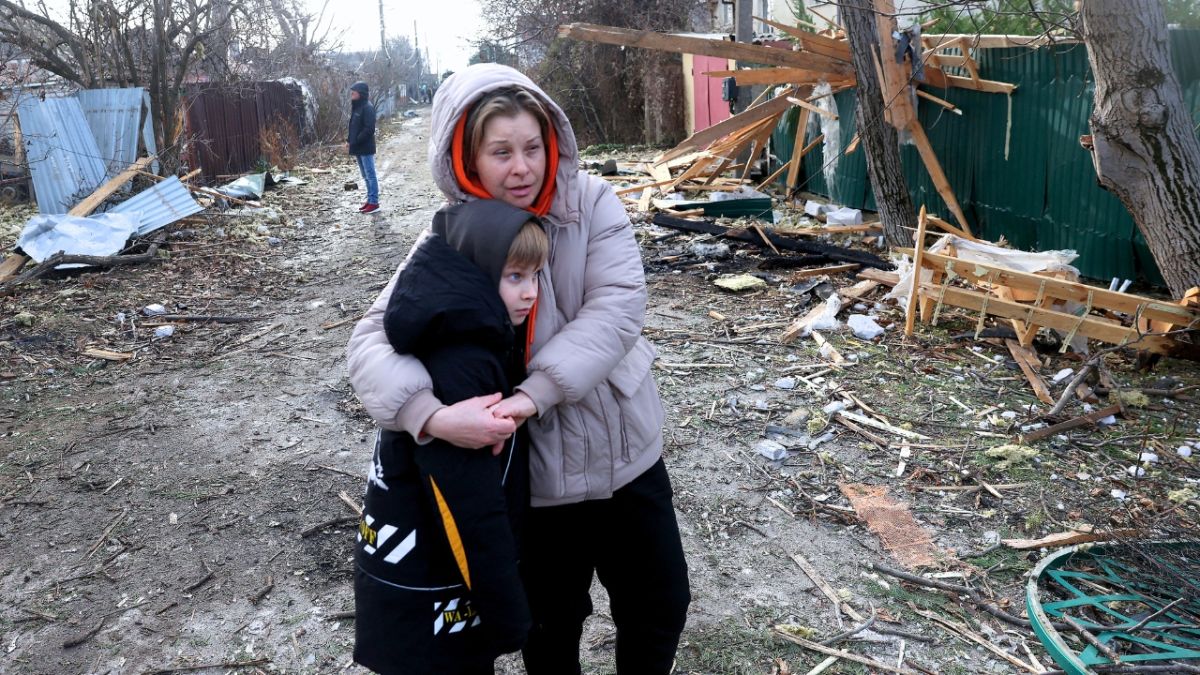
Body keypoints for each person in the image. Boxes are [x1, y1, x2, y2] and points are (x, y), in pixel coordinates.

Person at [347, 63, 690, 674]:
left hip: (624, 451)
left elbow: (617, 307)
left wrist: (532, 394)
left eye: (532, 147)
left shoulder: (591, 202)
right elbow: (372, 339)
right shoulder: (451, 235)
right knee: (550, 627)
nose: (522, 167)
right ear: (467, 158)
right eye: (501, 152)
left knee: (659, 603)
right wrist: (431, 417)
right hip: (534, 481)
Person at [353, 198, 547, 674]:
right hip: (432, 590)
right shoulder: (464, 363)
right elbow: (468, 506)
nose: (531, 293)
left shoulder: (440, 329)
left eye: (536, 276)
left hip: (403, 576)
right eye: (515, 276)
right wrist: (508, 614)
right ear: (477, 273)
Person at [348, 81, 380, 214]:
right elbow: (353, 126)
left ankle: (374, 202)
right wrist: (349, 140)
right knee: (365, 176)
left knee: (370, 175)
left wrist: (356, 140)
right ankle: (370, 200)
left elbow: (369, 129)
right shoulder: (357, 106)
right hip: (358, 147)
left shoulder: (368, 107)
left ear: (360, 93)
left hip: (365, 147)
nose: (352, 94)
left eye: (354, 92)